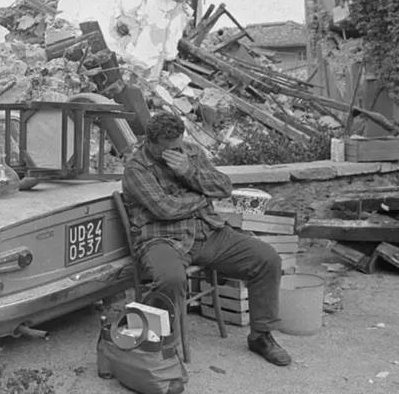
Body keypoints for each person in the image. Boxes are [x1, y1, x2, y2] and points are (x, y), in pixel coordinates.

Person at [122, 112, 292, 367]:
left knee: (267, 259)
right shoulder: (136, 168)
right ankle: (166, 350)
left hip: (208, 231)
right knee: (170, 279)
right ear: (151, 142)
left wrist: (189, 171)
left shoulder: (190, 153)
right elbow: (165, 209)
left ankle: (261, 335)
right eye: (167, 149)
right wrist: (203, 198)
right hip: (162, 238)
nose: (175, 151)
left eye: (178, 145)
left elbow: (224, 186)